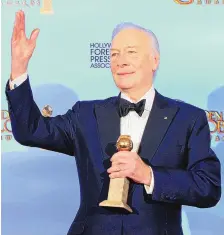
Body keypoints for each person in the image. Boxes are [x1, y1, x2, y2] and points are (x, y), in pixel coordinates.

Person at [5, 10, 221, 235]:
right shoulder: (86, 114)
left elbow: (207, 188)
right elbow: (31, 131)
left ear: (154, 60)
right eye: (114, 54)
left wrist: (149, 175)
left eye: (131, 52)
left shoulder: (187, 118)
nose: (121, 61)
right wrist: (19, 68)